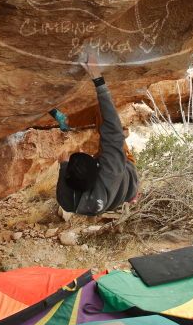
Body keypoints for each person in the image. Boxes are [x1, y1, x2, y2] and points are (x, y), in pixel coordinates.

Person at [55, 53, 139, 216]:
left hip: (109, 192)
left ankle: (67, 121)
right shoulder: (112, 168)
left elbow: (66, 174)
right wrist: (97, 78)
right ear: (98, 165)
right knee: (102, 115)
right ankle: (69, 121)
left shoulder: (65, 199)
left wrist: (64, 165)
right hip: (125, 183)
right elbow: (112, 128)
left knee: (111, 137)